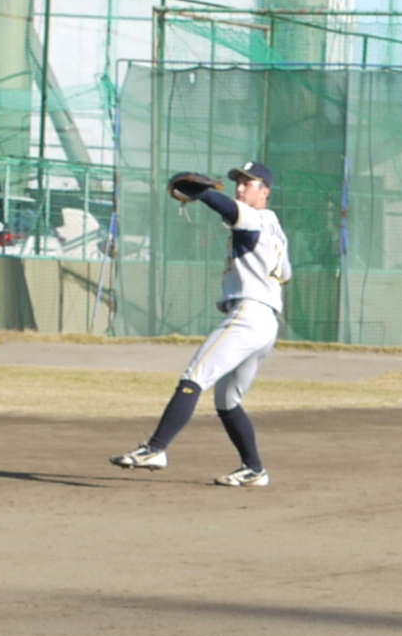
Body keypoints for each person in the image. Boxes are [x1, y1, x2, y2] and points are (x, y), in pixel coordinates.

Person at [111, 161, 286, 486]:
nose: (240, 187)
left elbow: (228, 209)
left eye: (249, 183)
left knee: (194, 377)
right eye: (239, 181)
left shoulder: (255, 218)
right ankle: (254, 469)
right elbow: (285, 273)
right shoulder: (276, 228)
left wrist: (203, 194)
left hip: (249, 315)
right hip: (267, 322)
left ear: (266, 191)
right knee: (228, 400)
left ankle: (155, 448)